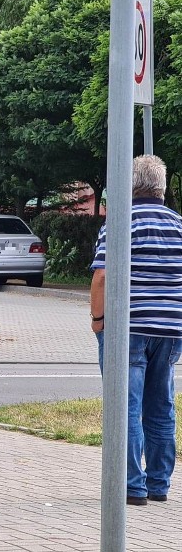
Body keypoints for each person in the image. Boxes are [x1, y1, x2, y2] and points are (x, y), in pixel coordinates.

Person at [90, 154, 182, 506]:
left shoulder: (120, 224)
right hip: (171, 330)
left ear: (130, 184)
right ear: (161, 186)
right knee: (161, 404)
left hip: (127, 327)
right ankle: (159, 484)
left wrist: (98, 321)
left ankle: (132, 485)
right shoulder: (178, 225)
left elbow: (101, 277)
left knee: (124, 405)